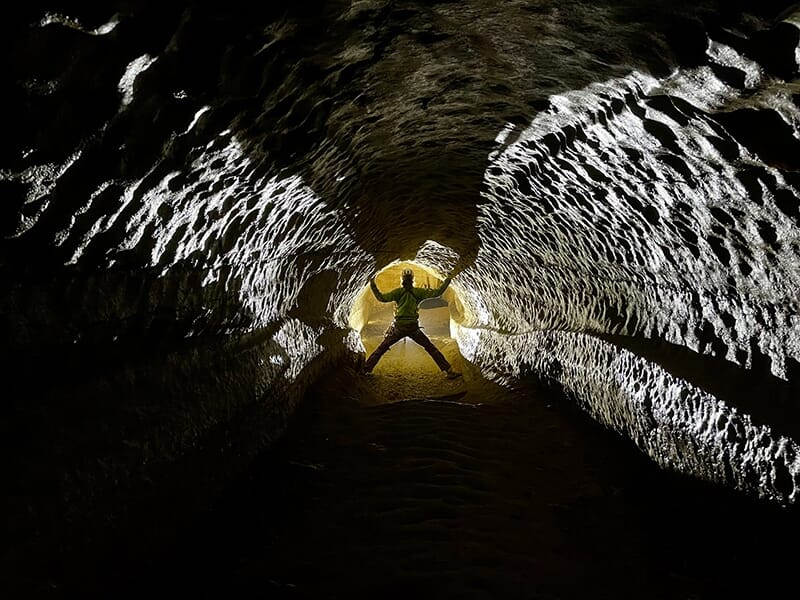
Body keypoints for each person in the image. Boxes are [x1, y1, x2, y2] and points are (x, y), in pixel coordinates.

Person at [363, 268, 462, 379]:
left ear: (402, 280)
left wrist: (372, 284)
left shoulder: (398, 292)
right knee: (431, 348)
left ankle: (366, 369)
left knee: (381, 348)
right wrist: (447, 280)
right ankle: (448, 371)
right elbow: (437, 293)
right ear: (412, 280)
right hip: (413, 328)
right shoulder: (418, 292)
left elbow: (381, 298)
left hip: (399, 327)